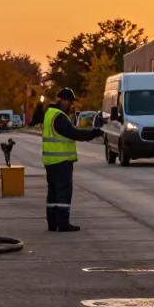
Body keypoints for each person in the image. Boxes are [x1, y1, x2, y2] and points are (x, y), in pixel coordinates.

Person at [42, 88, 103, 232]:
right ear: (63, 100)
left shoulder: (50, 114)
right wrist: (92, 133)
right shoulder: (59, 116)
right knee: (63, 192)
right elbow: (72, 133)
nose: (70, 104)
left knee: (53, 193)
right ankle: (63, 223)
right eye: (69, 101)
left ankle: (52, 223)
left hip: (51, 161)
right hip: (61, 160)